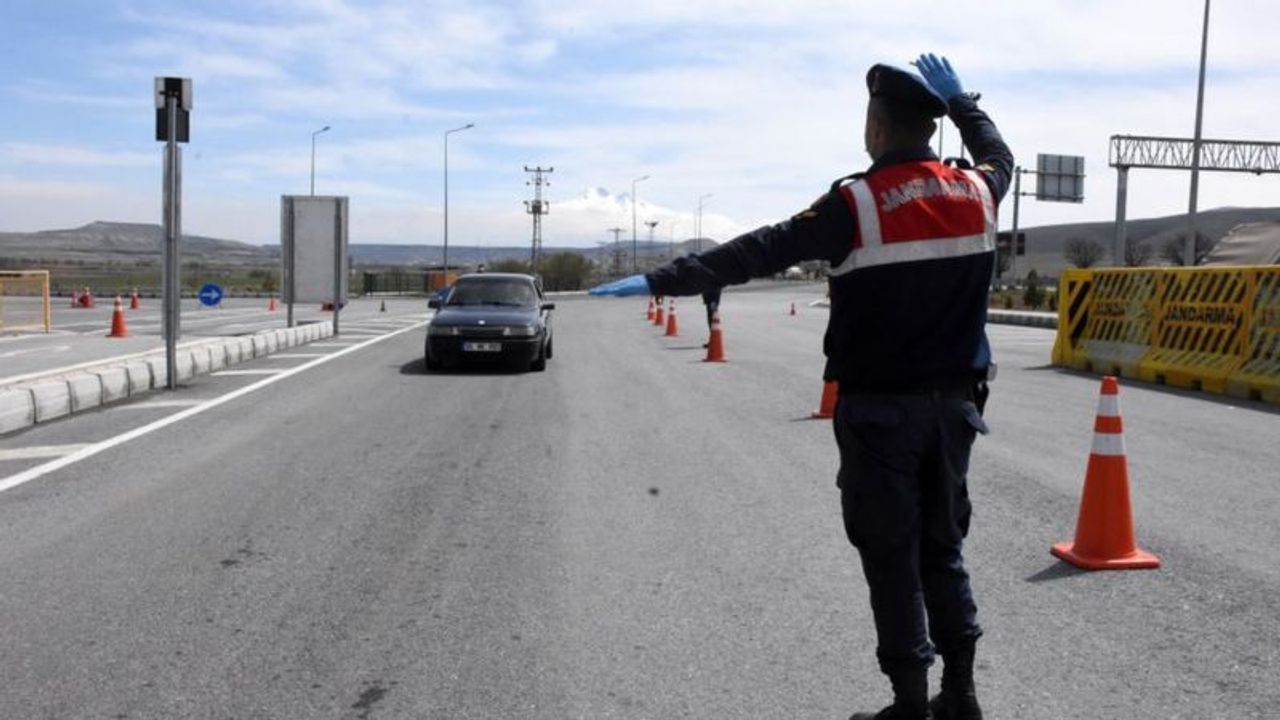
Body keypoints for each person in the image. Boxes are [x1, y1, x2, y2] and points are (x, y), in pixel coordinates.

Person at [590, 53, 1011, 720]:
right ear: (931, 129)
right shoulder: (978, 191)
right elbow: (997, 153)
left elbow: (756, 250)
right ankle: (960, 694)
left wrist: (660, 280)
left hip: (881, 416)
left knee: (890, 554)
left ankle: (908, 702)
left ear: (876, 126)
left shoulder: (857, 203)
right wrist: (966, 104)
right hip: (958, 409)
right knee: (943, 548)